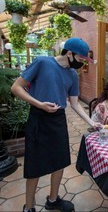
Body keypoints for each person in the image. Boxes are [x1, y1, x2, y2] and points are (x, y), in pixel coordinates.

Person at [11, 37, 102, 212]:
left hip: (58, 120)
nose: (83, 63)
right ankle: (29, 207)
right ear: (69, 53)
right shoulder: (42, 63)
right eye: (81, 59)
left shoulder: (73, 75)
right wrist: (39, 104)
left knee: (60, 161)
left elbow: (75, 104)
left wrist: (92, 122)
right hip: (38, 118)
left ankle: (53, 200)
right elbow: (16, 88)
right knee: (34, 166)